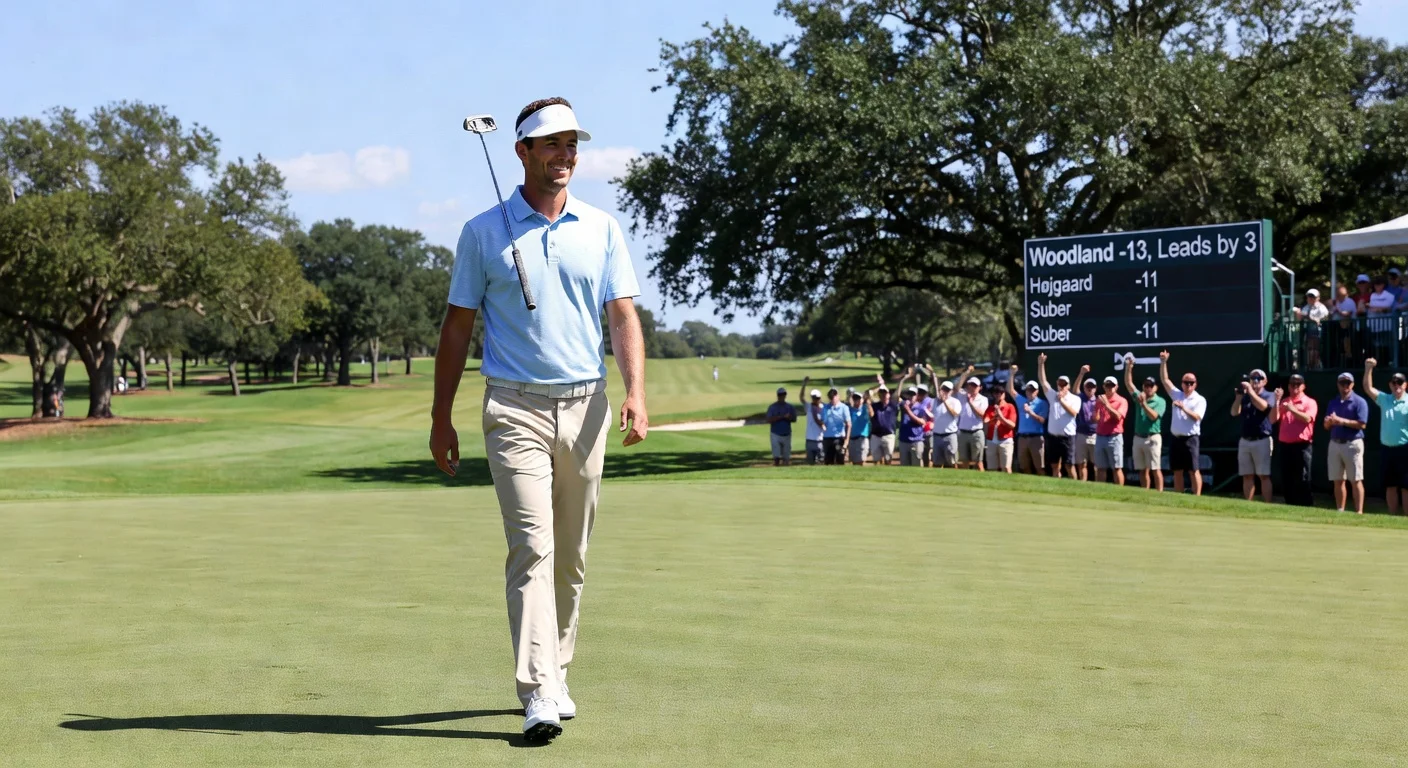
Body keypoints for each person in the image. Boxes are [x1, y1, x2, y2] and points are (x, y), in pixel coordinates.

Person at [428, 96, 648, 742]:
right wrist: (441, 418)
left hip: (587, 406)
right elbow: (456, 327)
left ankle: (558, 671)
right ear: (521, 151)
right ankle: (538, 690)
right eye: (551, 144)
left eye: (571, 143)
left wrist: (636, 390)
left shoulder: (602, 228)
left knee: (571, 556)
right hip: (513, 406)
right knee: (532, 548)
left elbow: (623, 315)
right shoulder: (482, 232)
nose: (565, 155)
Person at [1363, 358, 1408, 514]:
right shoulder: (1385, 399)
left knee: (1406, 486)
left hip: (1405, 449)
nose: (1397, 386)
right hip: (1387, 449)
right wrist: (1368, 368)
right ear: (1390, 385)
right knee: (1390, 485)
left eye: (1400, 383)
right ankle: (1393, 517)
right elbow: (1368, 388)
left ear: (1405, 385)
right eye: (1394, 383)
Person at [1159, 351, 1206, 495]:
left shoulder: (1200, 400)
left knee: (1193, 470)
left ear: (1195, 384)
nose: (1188, 385)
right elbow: (1165, 380)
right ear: (1182, 383)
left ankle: (1196, 497)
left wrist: (1183, 408)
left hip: (1191, 439)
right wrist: (1163, 362)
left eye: (1191, 383)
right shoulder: (1177, 394)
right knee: (1177, 471)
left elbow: (1197, 417)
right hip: (1176, 439)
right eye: (1186, 382)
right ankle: (1179, 497)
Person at [1323, 371, 1368, 514]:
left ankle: (1359, 512)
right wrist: (1329, 423)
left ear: (1353, 384)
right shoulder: (1333, 402)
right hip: (1335, 443)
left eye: (1347, 383)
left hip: (1352, 443)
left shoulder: (1360, 402)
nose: (1345, 386)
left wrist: (1341, 421)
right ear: (1338, 385)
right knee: (1338, 480)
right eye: (1342, 383)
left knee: (1355, 480)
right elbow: (1326, 426)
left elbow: (1362, 424)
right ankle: (1340, 510)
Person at [1232, 368, 1277, 502]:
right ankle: (1249, 504)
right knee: (1247, 475)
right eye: (1252, 379)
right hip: (1245, 440)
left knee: (1263, 475)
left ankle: (1267, 504)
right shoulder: (1245, 397)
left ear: (1265, 381)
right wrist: (1238, 398)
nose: (1255, 381)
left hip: (1262, 439)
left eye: (1259, 379)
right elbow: (1234, 412)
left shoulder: (1269, 395)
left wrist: (1251, 392)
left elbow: (1264, 407)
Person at [1273, 374, 1317, 506]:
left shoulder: (1310, 402)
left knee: (1303, 476)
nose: (1295, 387)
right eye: (1292, 385)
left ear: (1303, 386)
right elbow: (1274, 418)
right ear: (1288, 386)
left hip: (1302, 445)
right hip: (1285, 445)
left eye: (1298, 385)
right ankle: (1289, 503)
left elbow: (1308, 418)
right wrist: (1277, 401)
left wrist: (1292, 409)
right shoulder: (1284, 401)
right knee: (1287, 476)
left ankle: (1305, 504)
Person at [1123, 359, 1166, 492]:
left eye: (1151, 385)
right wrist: (1128, 368)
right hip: (1138, 437)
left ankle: (1159, 494)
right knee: (1142, 470)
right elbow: (1128, 383)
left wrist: (1144, 404)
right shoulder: (1139, 397)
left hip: (1152, 438)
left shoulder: (1160, 401)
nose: (1148, 388)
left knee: (1155, 468)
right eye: (1146, 385)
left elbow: (1153, 416)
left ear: (1156, 387)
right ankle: (1145, 493)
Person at [1037, 354, 1080, 478]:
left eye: (1064, 384)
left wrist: (1061, 401)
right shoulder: (1052, 395)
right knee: (1055, 465)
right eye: (1060, 383)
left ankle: (1076, 489)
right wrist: (1041, 364)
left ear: (1068, 386)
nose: (1061, 386)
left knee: (1069, 466)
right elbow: (1043, 381)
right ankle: (1058, 488)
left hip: (1068, 437)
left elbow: (1073, 413)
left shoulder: (1075, 398)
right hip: (1053, 437)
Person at [1007, 369, 1048, 474]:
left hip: (1036, 438)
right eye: (1028, 390)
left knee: (1039, 467)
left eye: (1032, 390)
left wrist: (1030, 412)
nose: (1030, 392)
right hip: (1022, 438)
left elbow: (1042, 420)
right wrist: (1011, 374)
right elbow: (1010, 390)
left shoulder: (1042, 403)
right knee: (1024, 466)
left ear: (1037, 391)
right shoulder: (1022, 400)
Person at [951, 367, 989, 470]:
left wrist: (971, 403)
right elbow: (956, 387)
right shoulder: (962, 395)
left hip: (976, 433)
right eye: (970, 385)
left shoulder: (983, 399)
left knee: (978, 461)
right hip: (962, 432)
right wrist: (966, 373)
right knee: (964, 461)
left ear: (979, 387)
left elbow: (981, 415)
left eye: (974, 386)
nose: (971, 387)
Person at [1093, 375, 1127, 486]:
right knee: (1100, 468)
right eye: (1107, 385)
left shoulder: (1122, 401)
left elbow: (1118, 417)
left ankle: (1119, 492)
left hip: (1114, 437)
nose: (1109, 388)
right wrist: (1097, 412)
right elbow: (1096, 419)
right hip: (1100, 436)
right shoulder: (1099, 400)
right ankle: (1100, 493)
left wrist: (1106, 405)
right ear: (1104, 386)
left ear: (1116, 387)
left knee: (1116, 468)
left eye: (1112, 386)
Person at [1071, 367, 1098, 481]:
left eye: (1092, 387)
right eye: (1088, 387)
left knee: (1097, 465)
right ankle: (1083, 485)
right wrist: (1081, 373)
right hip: (1081, 434)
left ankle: (1099, 486)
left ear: (1095, 389)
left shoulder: (1099, 400)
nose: (1090, 389)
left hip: (1095, 435)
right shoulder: (1080, 398)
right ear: (1084, 388)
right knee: (1082, 463)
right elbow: (1074, 389)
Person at [984, 385, 1017, 473]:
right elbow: (986, 421)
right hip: (991, 440)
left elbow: (1012, 425)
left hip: (1005, 440)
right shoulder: (990, 408)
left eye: (1001, 393)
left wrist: (1001, 417)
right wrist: (994, 418)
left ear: (1004, 394)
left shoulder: (1010, 407)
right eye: (996, 393)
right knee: (992, 468)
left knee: (1006, 467)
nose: (998, 395)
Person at [1294, 288, 1329, 370]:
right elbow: (1301, 318)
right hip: (1307, 332)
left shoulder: (1322, 308)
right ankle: (1309, 366)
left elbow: (1324, 319)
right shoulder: (1306, 307)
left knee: (1315, 349)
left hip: (1317, 332)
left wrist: (1309, 318)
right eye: (1309, 296)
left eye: (1312, 296)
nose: (1310, 298)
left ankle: (1315, 367)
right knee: (1309, 350)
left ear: (1318, 298)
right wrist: (1298, 315)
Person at [868, 376, 899, 464]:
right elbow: (868, 393)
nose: (883, 394)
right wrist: (879, 385)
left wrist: (882, 384)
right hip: (876, 435)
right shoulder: (875, 406)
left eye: (885, 393)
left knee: (888, 458)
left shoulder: (893, 405)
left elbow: (898, 393)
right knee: (876, 459)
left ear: (888, 394)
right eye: (881, 393)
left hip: (888, 435)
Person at [930, 379, 961, 469]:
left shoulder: (955, 402)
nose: (945, 392)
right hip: (937, 435)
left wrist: (945, 401)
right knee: (936, 463)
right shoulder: (934, 401)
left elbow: (954, 413)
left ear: (951, 391)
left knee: (951, 462)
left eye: (947, 390)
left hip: (950, 435)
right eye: (943, 389)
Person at [898, 385, 930, 466]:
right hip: (903, 440)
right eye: (910, 394)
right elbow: (896, 397)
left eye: (913, 394)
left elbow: (922, 422)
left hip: (916, 440)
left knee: (917, 465)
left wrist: (908, 411)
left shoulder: (921, 408)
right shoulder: (903, 405)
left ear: (917, 396)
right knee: (904, 466)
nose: (911, 396)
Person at [765, 387, 797, 466]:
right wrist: (781, 417)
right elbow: (768, 419)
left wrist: (789, 417)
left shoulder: (790, 407)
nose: (782, 396)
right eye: (780, 395)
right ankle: (776, 470)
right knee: (776, 457)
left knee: (786, 457)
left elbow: (794, 419)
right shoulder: (772, 407)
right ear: (777, 395)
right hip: (775, 433)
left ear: (785, 395)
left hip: (787, 434)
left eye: (783, 394)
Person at [821, 388, 851, 465]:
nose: (832, 399)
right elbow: (823, 421)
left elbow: (849, 424)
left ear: (838, 396)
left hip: (839, 438)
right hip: (827, 438)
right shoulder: (825, 408)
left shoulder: (844, 408)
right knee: (828, 461)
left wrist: (846, 441)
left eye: (834, 396)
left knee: (840, 460)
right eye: (831, 397)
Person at [1331, 284, 1357, 365]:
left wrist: (1337, 310)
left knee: (1347, 347)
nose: (1339, 296)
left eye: (1341, 295)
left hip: (1347, 328)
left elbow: (1347, 314)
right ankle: (1337, 363)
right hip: (1336, 327)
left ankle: (1349, 364)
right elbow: (1331, 313)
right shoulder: (1335, 302)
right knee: (1337, 346)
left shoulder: (1350, 302)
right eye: (1338, 295)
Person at [800, 378, 824, 465]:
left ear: (819, 398)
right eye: (813, 397)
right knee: (810, 462)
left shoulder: (823, 408)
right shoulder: (808, 406)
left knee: (821, 462)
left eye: (816, 398)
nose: (814, 399)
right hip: (810, 439)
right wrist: (804, 385)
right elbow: (801, 398)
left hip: (820, 439)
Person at [847, 388, 872, 465]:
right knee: (854, 461)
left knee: (862, 460)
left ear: (862, 400)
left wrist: (867, 402)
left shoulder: (865, 408)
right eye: (855, 398)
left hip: (862, 438)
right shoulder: (850, 410)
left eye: (858, 398)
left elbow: (871, 414)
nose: (856, 400)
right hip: (852, 439)